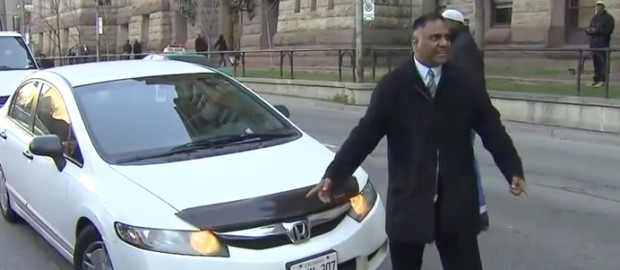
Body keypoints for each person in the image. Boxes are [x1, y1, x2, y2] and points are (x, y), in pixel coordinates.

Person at [306, 13, 527, 270]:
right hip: (409, 202)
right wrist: (334, 175)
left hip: (456, 203)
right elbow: (364, 136)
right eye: (435, 38)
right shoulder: (393, 86)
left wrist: (512, 168)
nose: (444, 43)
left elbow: (492, 129)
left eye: (446, 37)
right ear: (415, 43)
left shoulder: (465, 83)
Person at [441, 8, 489, 232]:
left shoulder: (461, 48)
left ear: (454, 24)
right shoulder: (464, 44)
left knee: (465, 160)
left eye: (445, 23)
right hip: (466, 113)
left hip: (462, 115)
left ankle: (476, 209)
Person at [586, 1, 615, 87]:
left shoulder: (608, 18)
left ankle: (602, 80)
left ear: (603, 7)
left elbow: (608, 30)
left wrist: (596, 31)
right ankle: (596, 79)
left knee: (603, 62)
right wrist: (589, 31)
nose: (598, 7)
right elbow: (590, 27)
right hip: (594, 44)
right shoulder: (595, 17)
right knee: (596, 62)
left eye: (600, 6)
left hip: (603, 43)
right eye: (597, 6)